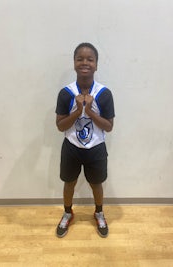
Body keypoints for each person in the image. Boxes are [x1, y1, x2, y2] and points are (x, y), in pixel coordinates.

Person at [55, 42, 115, 238]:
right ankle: (67, 212)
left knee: (96, 184)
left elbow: (109, 126)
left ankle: (99, 212)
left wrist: (89, 111)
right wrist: (78, 111)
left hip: (96, 148)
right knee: (69, 182)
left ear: (96, 65)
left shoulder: (104, 94)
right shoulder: (66, 93)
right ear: (74, 63)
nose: (85, 62)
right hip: (71, 146)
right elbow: (60, 126)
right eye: (80, 58)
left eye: (90, 59)